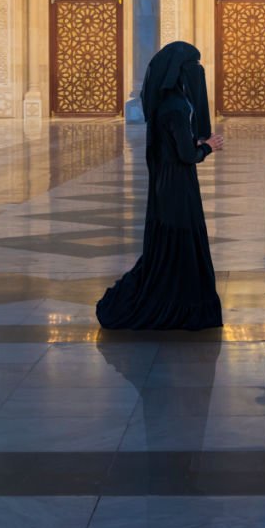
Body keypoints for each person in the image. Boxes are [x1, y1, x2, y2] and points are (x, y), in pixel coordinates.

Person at [96, 41, 225, 330]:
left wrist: (194, 142)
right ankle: (179, 306)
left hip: (164, 186)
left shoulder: (163, 104)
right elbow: (187, 155)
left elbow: (172, 146)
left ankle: (171, 298)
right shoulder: (177, 108)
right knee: (179, 244)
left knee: (168, 246)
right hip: (179, 188)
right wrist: (208, 148)